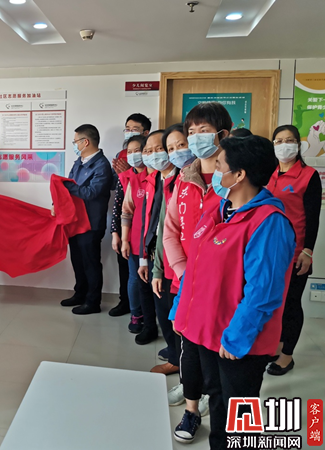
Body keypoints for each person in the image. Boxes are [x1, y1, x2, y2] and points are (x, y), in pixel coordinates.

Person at [170, 136, 295, 449]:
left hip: (237, 340)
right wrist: (181, 311)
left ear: (239, 175)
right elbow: (194, 267)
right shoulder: (219, 210)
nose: (214, 172)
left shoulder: (269, 222)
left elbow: (263, 292)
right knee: (216, 398)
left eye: (219, 166)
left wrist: (237, 337)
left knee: (239, 412)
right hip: (206, 330)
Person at [163, 102, 232, 443]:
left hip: (223, 289)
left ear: (223, 134)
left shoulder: (235, 181)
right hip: (187, 284)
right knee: (188, 351)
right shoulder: (184, 179)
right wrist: (182, 271)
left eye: (203, 131)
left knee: (218, 357)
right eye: (191, 132)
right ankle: (191, 411)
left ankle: (214, 407)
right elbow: (170, 230)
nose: (195, 138)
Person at [266, 125, 321, 376]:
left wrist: (307, 251)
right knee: (274, 303)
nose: (283, 145)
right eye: (278, 141)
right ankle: (277, 345)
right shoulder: (268, 174)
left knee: (290, 304)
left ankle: (287, 356)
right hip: (269, 252)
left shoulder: (308, 175)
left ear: (298, 145)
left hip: (296, 253)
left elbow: (313, 218)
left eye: (289, 140)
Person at [150, 123, 193, 374]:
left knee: (189, 326)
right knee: (169, 316)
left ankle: (189, 374)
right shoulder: (174, 183)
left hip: (196, 270)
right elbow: (165, 231)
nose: (177, 152)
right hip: (171, 266)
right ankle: (178, 362)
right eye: (171, 148)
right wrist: (157, 269)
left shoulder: (211, 183)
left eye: (182, 145)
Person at [60, 124, 112, 315]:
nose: (74, 145)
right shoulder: (79, 162)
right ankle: (80, 294)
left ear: (86, 142)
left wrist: (66, 186)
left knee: (91, 263)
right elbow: (69, 187)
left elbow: (91, 192)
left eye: (75, 141)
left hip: (91, 223)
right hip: (75, 221)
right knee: (77, 261)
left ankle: (93, 302)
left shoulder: (102, 165)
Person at [136, 130, 179, 349]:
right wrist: (144, 257)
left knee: (173, 311)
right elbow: (147, 221)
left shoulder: (180, 180)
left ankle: (177, 356)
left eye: (159, 149)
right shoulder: (153, 179)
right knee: (161, 306)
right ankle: (173, 352)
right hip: (154, 253)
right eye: (148, 151)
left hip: (175, 258)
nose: (153, 155)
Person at [120, 135, 155, 330]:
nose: (133, 155)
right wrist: (124, 240)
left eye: (138, 151)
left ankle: (154, 318)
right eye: (130, 152)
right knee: (135, 279)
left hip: (155, 242)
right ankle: (136, 315)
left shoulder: (158, 177)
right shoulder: (133, 180)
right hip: (135, 241)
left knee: (154, 280)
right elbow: (126, 212)